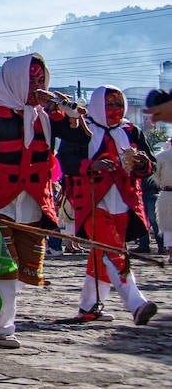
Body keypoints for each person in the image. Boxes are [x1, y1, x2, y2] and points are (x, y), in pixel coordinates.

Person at [0, 53, 86, 347]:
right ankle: (2, 327)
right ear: (15, 80)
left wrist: (64, 109)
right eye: (31, 81)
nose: (37, 87)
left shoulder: (47, 117)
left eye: (41, 80)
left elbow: (80, 138)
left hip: (33, 203)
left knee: (25, 268)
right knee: (5, 265)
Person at [58, 86, 158, 325]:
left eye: (118, 104)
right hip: (92, 201)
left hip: (125, 202)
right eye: (109, 104)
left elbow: (150, 164)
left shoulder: (131, 131)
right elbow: (65, 162)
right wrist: (92, 166)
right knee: (113, 251)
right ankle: (136, 303)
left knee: (102, 253)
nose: (114, 109)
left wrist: (141, 163)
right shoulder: (81, 129)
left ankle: (89, 307)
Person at [154, 134, 172, 265]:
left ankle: (171, 255)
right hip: (166, 192)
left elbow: (155, 176)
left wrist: (161, 184)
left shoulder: (161, 156)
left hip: (167, 192)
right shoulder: (161, 156)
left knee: (169, 227)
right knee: (168, 226)